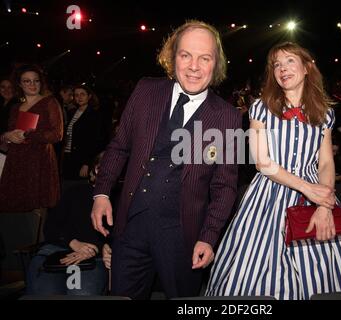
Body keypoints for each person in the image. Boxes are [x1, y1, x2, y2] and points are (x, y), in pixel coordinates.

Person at [205, 42, 341, 300]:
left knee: (326, 275)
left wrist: (325, 205)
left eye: (289, 61)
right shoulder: (261, 107)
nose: (282, 69)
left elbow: (326, 163)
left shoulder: (325, 112)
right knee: (255, 270)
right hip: (268, 195)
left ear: (307, 68)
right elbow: (262, 162)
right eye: (276, 65)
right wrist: (309, 190)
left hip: (317, 195)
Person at [91, 20, 241, 299]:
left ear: (216, 64)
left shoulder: (228, 117)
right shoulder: (146, 90)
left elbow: (224, 187)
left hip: (183, 237)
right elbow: (120, 146)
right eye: (186, 55)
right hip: (131, 227)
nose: (194, 66)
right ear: (173, 58)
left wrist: (209, 236)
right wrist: (101, 193)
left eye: (204, 58)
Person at [26, 152, 108, 295]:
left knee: (81, 294)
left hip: (93, 258)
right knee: (45, 294)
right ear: (96, 169)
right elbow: (51, 227)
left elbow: (120, 237)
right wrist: (73, 242)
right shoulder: (73, 192)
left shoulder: (122, 199)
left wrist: (95, 248)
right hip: (55, 252)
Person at [0, 64, 63, 214]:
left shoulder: (50, 102)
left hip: (39, 160)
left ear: (41, 83)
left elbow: (57, 134)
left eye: (36, 80)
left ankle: (37, 237)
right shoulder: (15, 107)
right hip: (16, 159)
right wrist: (7, 136)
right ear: (20, 84)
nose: (32, 84)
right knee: (14, 210)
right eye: (27, 81)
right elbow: (9, 133)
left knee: (36, 211)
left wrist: (28, 134)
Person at [62, 85, 101, 181]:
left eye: (82, 94)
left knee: (78, 188)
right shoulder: (72, 112)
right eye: (76, 95)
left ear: (89, 96)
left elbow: (94, 141)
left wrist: (87, 163)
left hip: (81, 159)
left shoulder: (94, 114)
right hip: (68, 155)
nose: (79, 97)